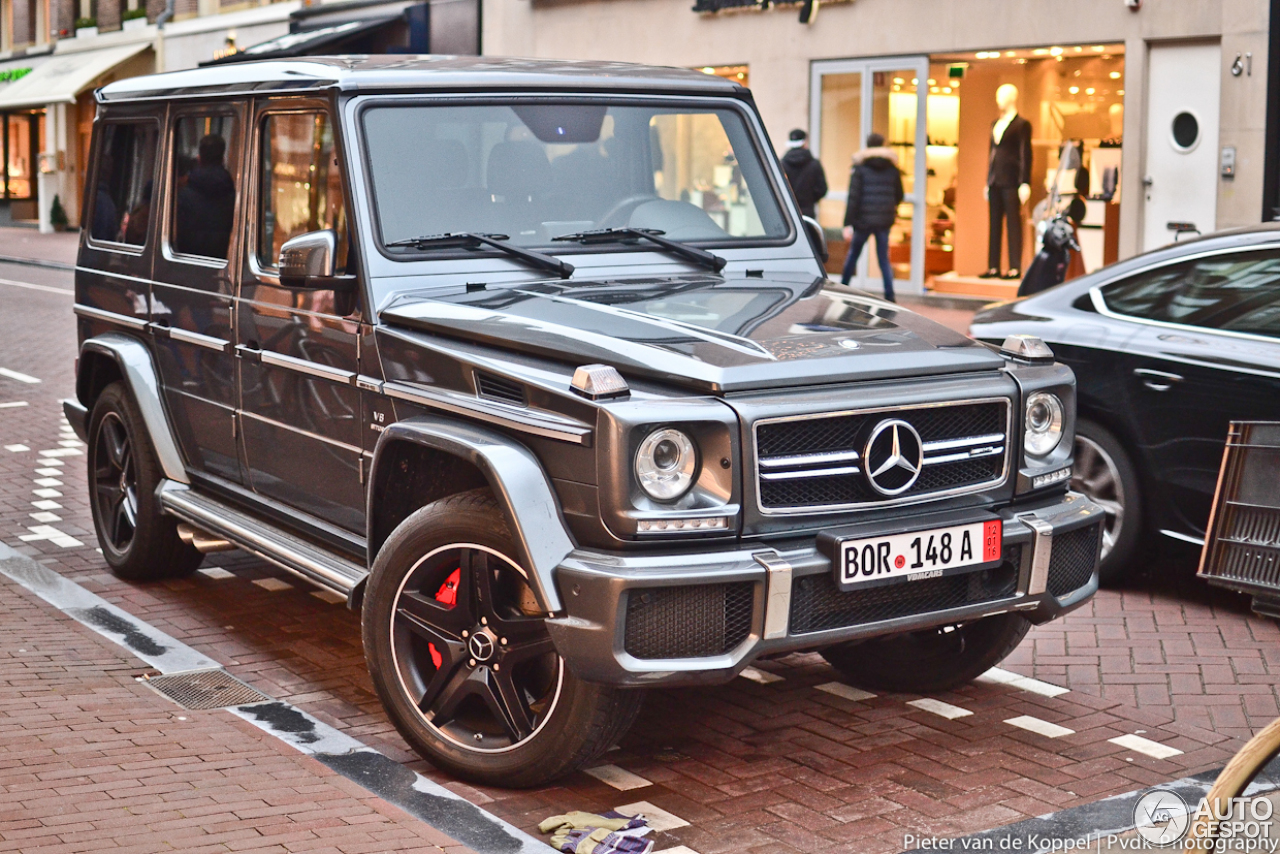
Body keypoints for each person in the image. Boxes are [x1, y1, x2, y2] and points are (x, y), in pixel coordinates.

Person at [840, 132, 903, 302]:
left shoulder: (860, 169)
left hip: (863, 221)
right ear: (883, 145)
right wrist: (889, 209)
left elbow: (853, 198)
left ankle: (842, 288)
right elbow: (899, 194)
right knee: (883, 258)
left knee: (853, 255)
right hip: (884, 221)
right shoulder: (892, 169)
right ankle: (890, 295)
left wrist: (848, 223)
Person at [175, 133, 236, 259]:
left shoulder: (184, 195)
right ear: (222, 159)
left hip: (185, 264)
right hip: (219, 262)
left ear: (199, 159)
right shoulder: (232, 196)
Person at [780, 128, 827, 219]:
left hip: (788, 213)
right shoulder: (814, 164)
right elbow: (822, 189)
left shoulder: (781, 165)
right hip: (808, 212)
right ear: (805, 142)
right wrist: (810, 199)